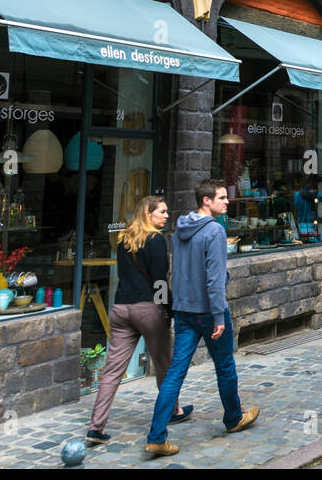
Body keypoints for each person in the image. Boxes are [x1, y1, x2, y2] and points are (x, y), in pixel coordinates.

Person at [145, 179, 259, 457]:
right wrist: (218, 315)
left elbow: (179, 270)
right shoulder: (215, 232)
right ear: (205, 201)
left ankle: (157, 436)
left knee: (175, 372)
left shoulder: (179, 229)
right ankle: (233, 418)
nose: (227, 201)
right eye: (221, 197)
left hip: (185, 311)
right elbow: (214, 279)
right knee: (224, 365)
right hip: (209, 311)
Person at [87, 196, 188, 445]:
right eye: (162, 212)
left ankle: (96, 427)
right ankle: (174, 411)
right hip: (147, 309)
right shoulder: (156, 241)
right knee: (164, 365)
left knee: (112, 371)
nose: (167, 216)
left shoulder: (125, 239)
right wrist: (169, 311)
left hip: (121, 308)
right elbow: (160, 281)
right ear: (148, 214)